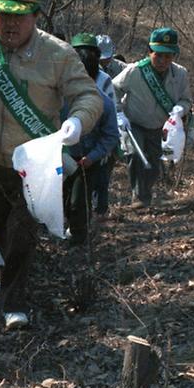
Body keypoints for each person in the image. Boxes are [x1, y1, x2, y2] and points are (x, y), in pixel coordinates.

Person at [0, 0, 103, 330]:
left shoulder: (58, 54)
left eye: (18, 16)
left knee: (23, 231)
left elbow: (88, 96)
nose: (9, 24)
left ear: (35, 16)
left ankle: (14, 301)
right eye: (2, 14)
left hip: (35, 166)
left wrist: (77, 123)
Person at [112, 27, 192, 209]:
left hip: (161, 127)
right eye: (158, 55)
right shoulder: (134, 71)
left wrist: (181, 109)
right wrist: (118, 112)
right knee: (135, 154)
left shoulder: (180, 74)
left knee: (155, 164)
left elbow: (186, 99)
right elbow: (113, 89)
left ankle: (145, 192)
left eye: (168, 56)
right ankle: (139, 197)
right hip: (135, 123)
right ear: (149, 52)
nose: (163, 60)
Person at [64, 33, 120, 244]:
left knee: (79, 202)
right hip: (61, 158)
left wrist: (93, 157)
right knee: (62, 201)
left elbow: (111, 134)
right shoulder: (57, 97)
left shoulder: (103, 101)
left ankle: (79, 240)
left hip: (88, 161)